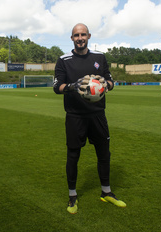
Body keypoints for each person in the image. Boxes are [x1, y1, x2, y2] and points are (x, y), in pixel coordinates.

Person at [53, 23, 126, 214]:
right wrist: (73, 86)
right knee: (73, 155)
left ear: (89, 36)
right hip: (75, 116)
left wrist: (105, 84)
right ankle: (72, 197)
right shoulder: (63, 60)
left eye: (83, 34)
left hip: (97, 115)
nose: (80, 38)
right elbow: (57, 86)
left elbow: (111, 81)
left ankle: (107, 192)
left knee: (104, 154)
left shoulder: (99, 58)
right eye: (76, 35)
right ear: (72, 38)